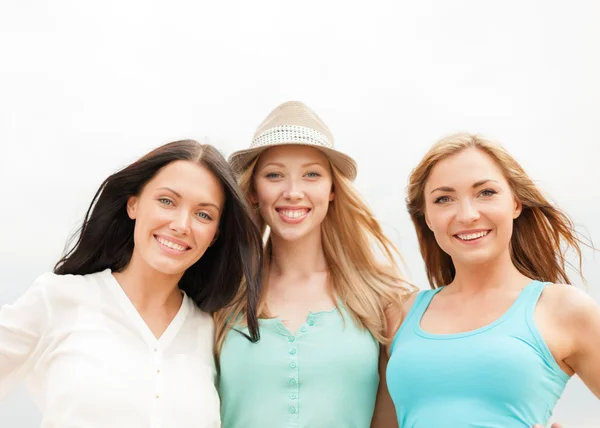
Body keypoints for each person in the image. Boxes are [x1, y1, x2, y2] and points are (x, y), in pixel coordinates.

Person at [0, 139, 263, 428]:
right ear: (133, 204)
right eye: (167, 201)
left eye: (203, 214)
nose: (181, 225)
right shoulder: (57, 299)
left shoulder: (213, 332)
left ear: (214, 235)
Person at [215, 101, 414, 428]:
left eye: (311, 174)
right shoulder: (219, 298)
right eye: (274, 175)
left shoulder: (381, 302)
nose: (293, 192)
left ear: (332, 189)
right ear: (253, 191)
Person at [386, 133, 600, 427]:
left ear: (515, 203)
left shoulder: (564, 309)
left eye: (486, 192)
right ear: (427, 218)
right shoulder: (399, 315)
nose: (468, 214)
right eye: (444, 199)